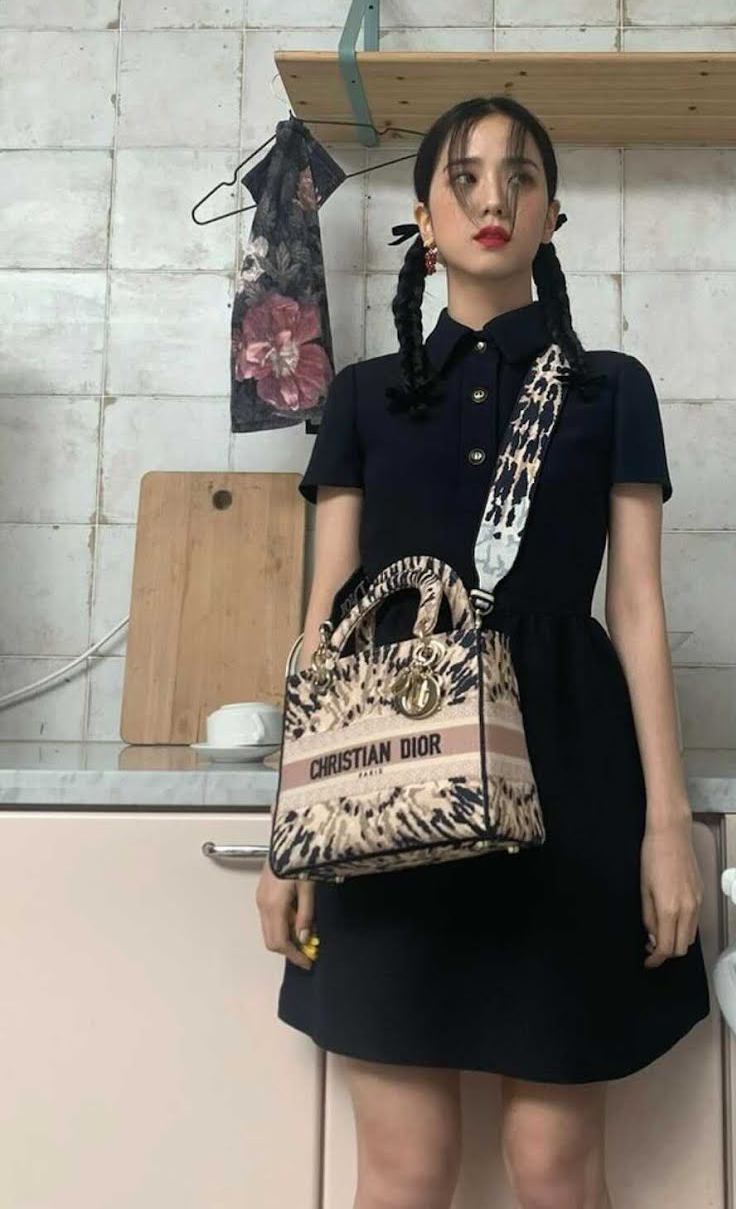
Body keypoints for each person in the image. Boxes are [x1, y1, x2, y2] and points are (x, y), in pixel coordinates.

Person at [256, 93, 711, 1209]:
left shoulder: (611, 387)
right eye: (462, 177)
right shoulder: (361, 397)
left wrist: (666, 826)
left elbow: (637, 606)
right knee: (403, 1170)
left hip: (570, 787)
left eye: (520, 176)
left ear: (552, 215)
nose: (492, 198)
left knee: (554, 1167)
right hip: (385, 791)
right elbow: (323, 619)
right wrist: (289, 835)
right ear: (424, 218)